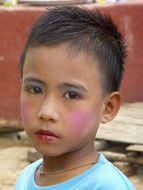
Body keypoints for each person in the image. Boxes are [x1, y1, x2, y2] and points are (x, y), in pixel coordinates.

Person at [14, 5, 135, 190]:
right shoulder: (26, 176)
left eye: (71, 95)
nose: (47, 112)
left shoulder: (107, 186)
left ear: (108, 107)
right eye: (35, 90)